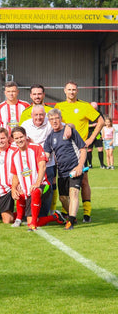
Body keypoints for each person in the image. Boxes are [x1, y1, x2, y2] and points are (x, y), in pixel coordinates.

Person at [54, 81, 103, 223]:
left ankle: (87, 213)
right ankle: (65, 210)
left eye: (74, 89)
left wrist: (91, 138)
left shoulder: (84, 106)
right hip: (62, 151)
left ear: (77, 91)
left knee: (84, 181)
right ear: (64, 91)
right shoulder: (59, 106)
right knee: (63, 179)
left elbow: (100, 121)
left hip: (79, 150)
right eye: (69, 89)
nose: (71, 92)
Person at [10, 126, 64, 231]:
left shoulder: (36, 147)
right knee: (19, 192)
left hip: (44, 186)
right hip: (27, 190)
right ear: (13, 140)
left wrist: (37, 183)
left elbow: (43, 166)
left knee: (35, 191)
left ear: (26, 136)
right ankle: (55, 217)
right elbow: (15, 175)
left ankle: (33, 225)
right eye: (16, 138)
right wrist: (13, 188)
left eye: (21, 137)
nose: (19, 140)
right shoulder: (15, 155)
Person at [44, 108, 87, 230]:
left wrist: (80, 166)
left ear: (61, 119)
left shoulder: (70, 131)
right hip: (62, 172)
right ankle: (72, 216)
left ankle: (71, 221)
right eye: (51, 119)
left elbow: (83, 149)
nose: (54, 121)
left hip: (75, 169)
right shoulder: (50, 138)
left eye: (56, 118)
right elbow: (46, 155)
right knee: (63, 198)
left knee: (73, 193)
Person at [22, 104, 57, 216]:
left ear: (45, 115)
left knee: (46, 189)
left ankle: (43, 215)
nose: (38, 117)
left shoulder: (50, 123)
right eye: (36, 115)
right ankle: (29, 213)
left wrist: (69, 128)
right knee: (30, 188)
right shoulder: (25, 125)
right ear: (31, 115)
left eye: (41, 115)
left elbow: (64, 126)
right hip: (31, 165)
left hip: (48, 163)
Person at [0, 128, 16, 224]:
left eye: (2, 138)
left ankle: (23, 214)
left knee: (29, 215)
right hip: (3, 188)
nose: (0, 141)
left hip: (17, 186)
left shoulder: (15, 150)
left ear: (8, 138)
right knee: (7, 220)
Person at [85, 102, 106, 168]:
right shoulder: (87, 113)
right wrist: (92, 125)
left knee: (100, 148)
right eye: (93, 108)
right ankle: (90, 164)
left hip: (97, 133)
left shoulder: (99, 113)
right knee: (89, 149)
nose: (95, 110)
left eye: (96, 108)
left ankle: (102, 164)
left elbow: (103, 122)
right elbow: (84, 125)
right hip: (89, 133)